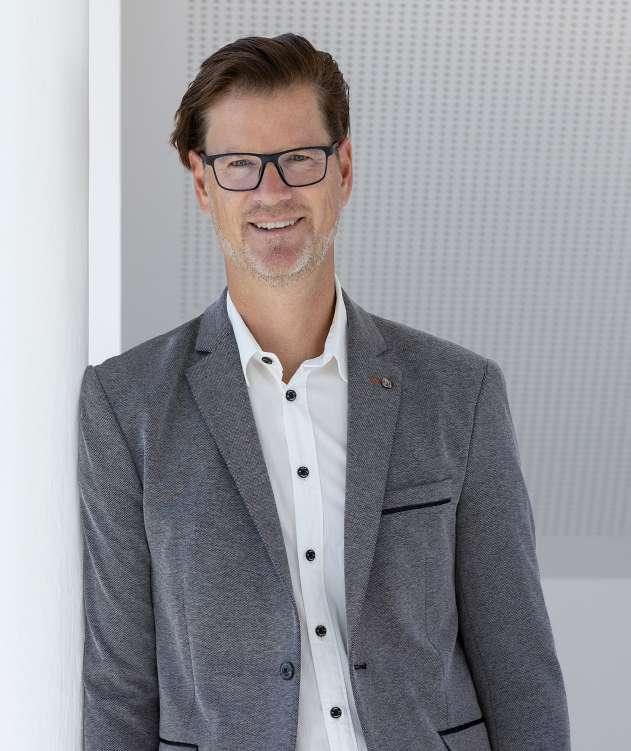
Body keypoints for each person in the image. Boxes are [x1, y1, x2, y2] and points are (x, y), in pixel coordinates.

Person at [78, 33, 571, 751]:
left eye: (299, 159)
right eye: (239, 164)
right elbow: (119, 684)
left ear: (343, 168)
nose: (271, 192)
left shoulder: (459, 394)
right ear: (202, 183)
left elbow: (520, 667)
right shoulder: (128, 407)